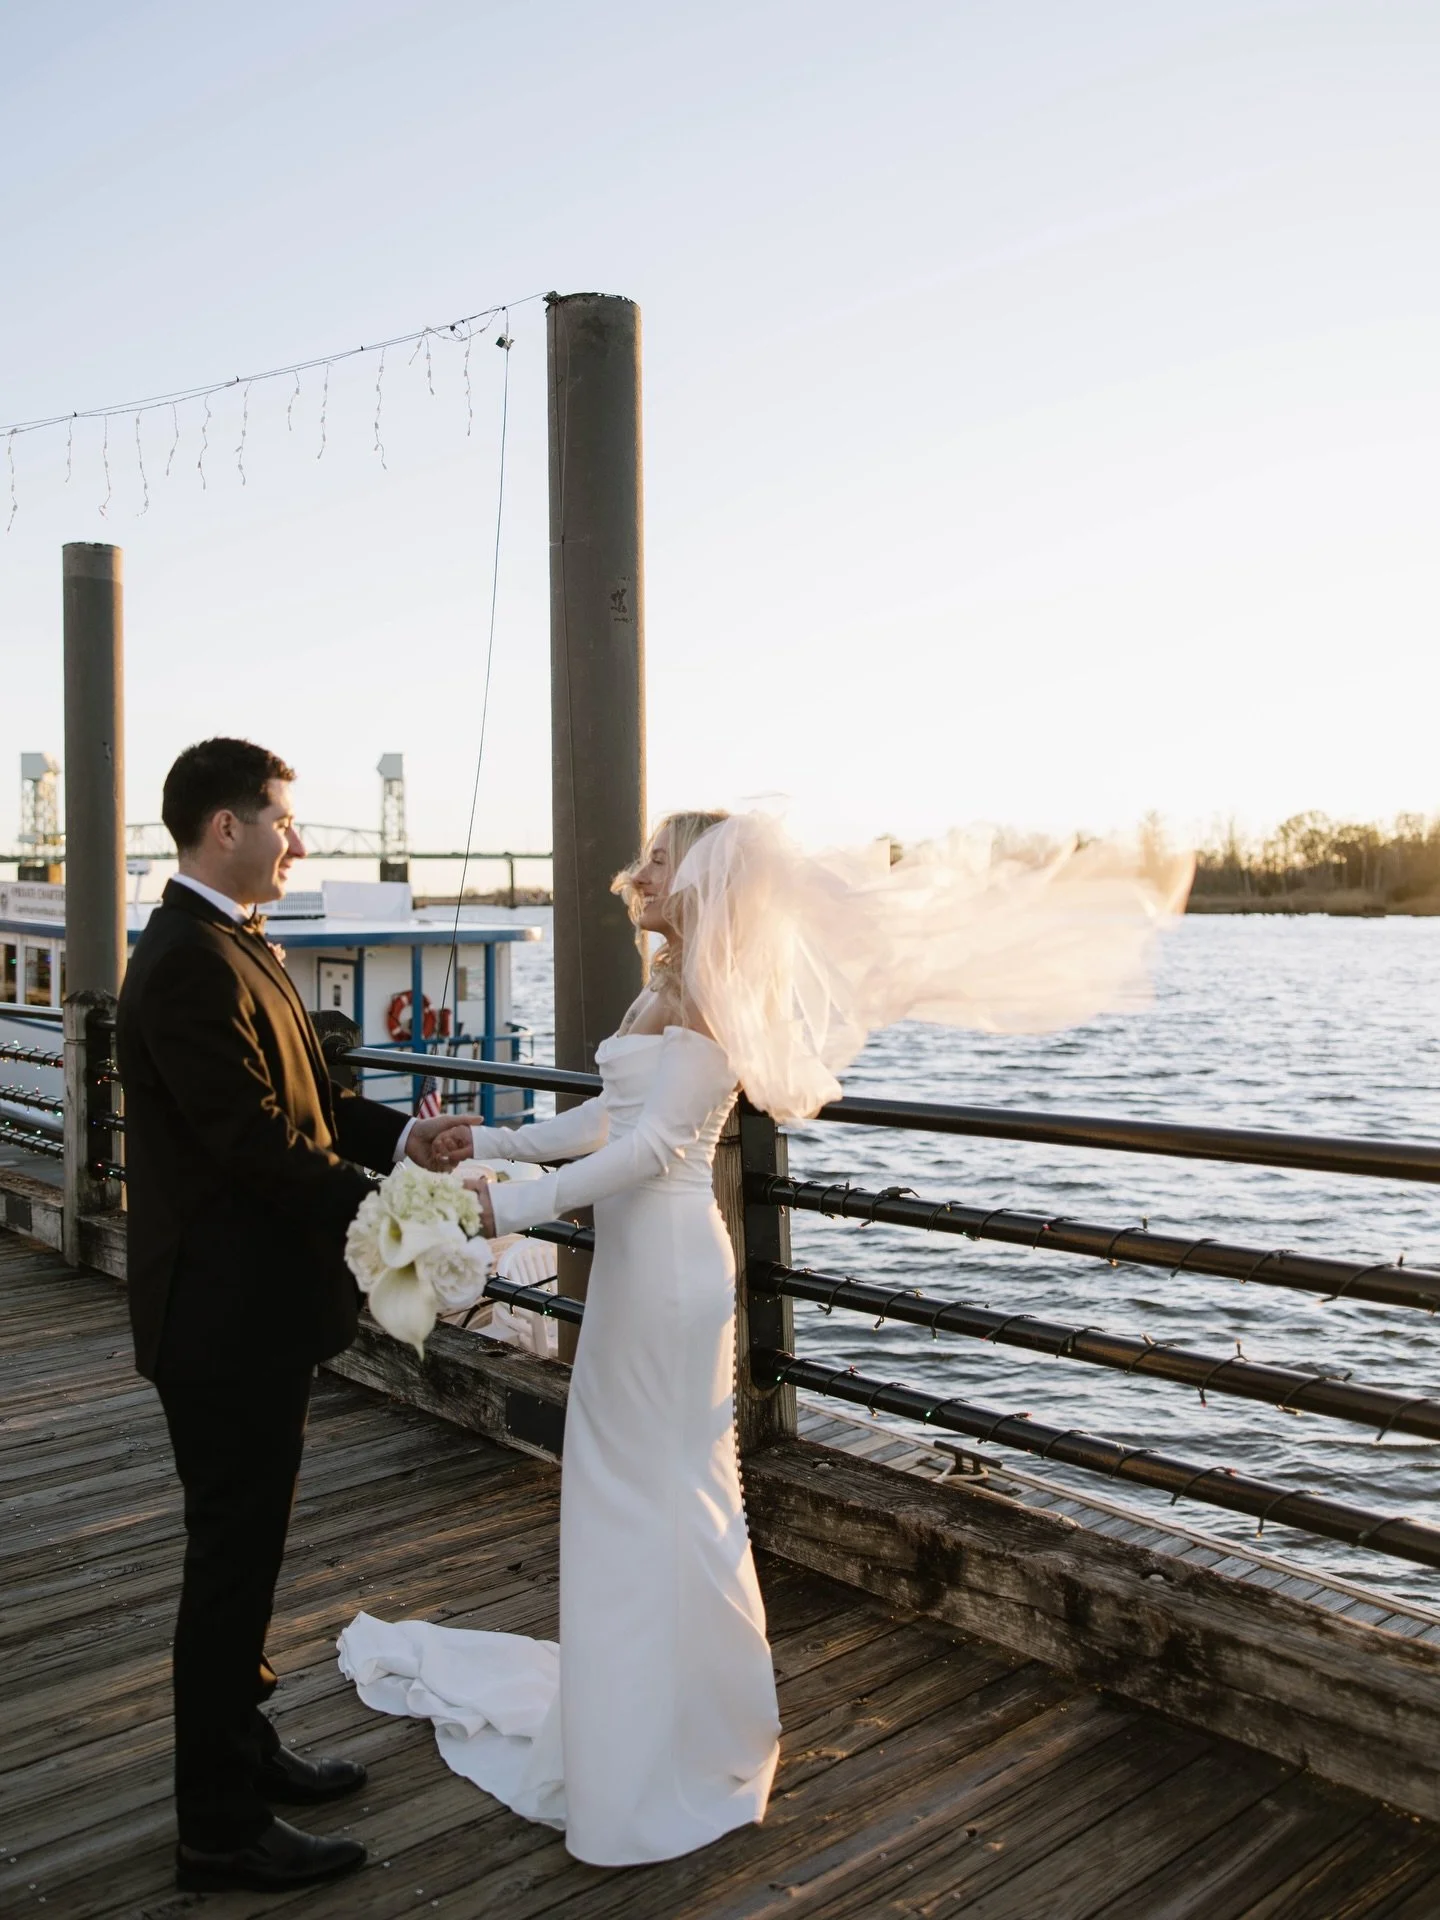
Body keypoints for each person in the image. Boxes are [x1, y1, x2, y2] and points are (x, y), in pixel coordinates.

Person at [338, 807, 1192, 1867]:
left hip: (672, 1276)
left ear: (699, 874)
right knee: (624, 1493)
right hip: (634, 1274)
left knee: (663, 1495)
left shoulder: (710, 991)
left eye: (656, 855)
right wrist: (493, 1141)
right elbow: (603, 1121)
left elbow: (655, 1151)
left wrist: (504, 1211)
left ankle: (685, 1747)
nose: (634, 868)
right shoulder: (663, 982)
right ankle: (634, 1727)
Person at [116, 737, 462, 1895]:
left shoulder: (233, 945)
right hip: (217, 1321)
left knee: (249, 1554)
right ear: (226, 828)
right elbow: (257, 1151)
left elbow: (316, 1101)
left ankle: (247, 1750)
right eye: (282, 822)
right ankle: (215, 1826)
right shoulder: (182, 964)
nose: (297, 843)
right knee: (228, 1564)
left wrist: (405, 1140)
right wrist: (404, 1211)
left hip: (254, 1310)